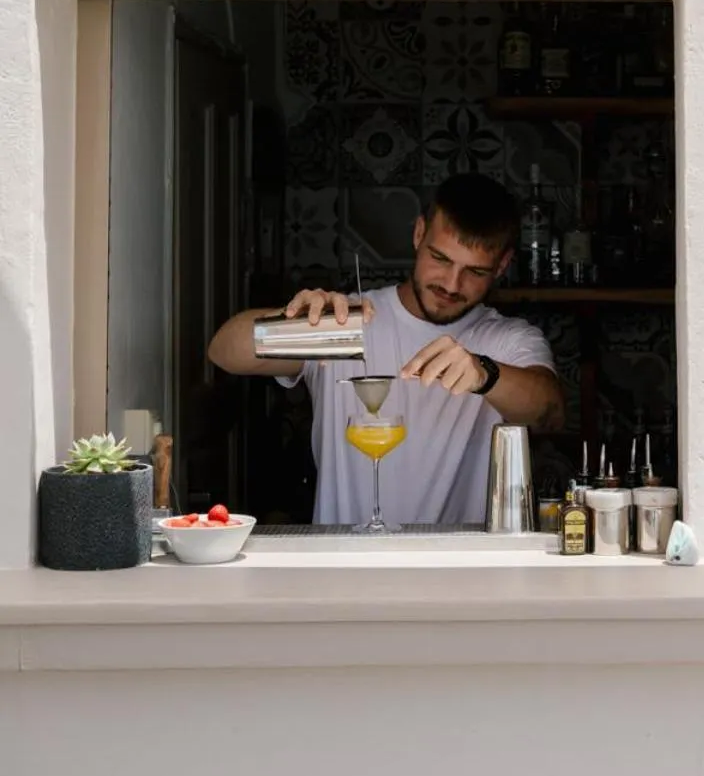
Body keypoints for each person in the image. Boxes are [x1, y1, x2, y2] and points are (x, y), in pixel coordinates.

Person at [209, 173, 564, 527]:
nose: (451, 284)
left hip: (458, 569)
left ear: (501, 266)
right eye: (440, 258)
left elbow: (549, 412)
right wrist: (292, 320)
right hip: (342, 569)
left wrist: (485, 373)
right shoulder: (343, 323)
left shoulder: (507, 340)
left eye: (474, 271)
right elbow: (223, 352)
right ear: (418, 233)